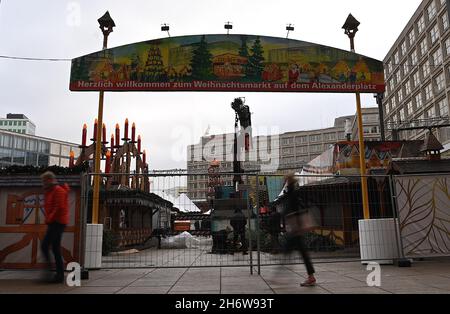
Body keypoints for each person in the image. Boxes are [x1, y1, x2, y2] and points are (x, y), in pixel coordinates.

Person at [273, 174, 316, 287]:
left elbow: (294, 210)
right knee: (300, 253)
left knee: (287, 253)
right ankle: (310, 277)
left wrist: (296, 225)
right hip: (296, 229)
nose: (283, 181)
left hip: (295, 229)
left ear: (288, 181)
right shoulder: (292, 193)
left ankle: (279, 277)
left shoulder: (291, 194)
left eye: (285, 179)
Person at [40, 171, 70, 283]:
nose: (43, 183)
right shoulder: (50, 191)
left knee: (47, 246)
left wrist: (49, 218)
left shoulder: (57, 191)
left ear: (49, 180)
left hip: (58, 222)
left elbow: (59, 207)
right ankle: (57, 274)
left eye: (44, 180)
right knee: (53, 247)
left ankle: (54, 273)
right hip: (55, 222)